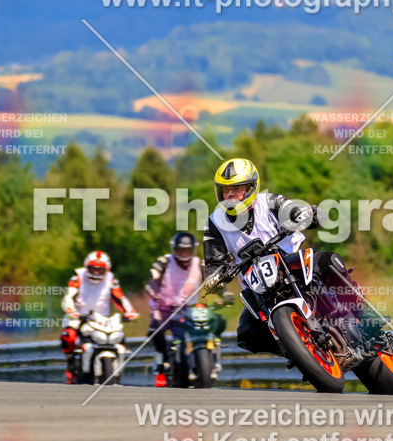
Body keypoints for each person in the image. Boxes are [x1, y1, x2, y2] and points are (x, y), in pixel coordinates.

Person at [201, 157, 378, 356]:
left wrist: (306, 215)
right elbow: (213, 261)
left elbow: (293, 211)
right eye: (225, 190)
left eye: (236, 189)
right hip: (257, 286)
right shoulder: (214, 222)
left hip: (291, 262)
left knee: (327, 261)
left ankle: (361, 309)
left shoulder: (269, 202)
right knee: (246, 334)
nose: (230, 195)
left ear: (250, 188)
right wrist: (213, 277)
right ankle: (297, 350)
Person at [59, 251, 139, 384]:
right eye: (93, 268)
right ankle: (71, 363)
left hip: (102, 319)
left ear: (107, 269)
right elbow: (69, 296)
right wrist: (71, 310)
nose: (96, 272)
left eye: (100, 269)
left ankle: (116, 368)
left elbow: (119, 297)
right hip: (79, 316)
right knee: (69, 336)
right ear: (87, 267)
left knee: (119, 335)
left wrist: (130, 311)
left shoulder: (111, 280)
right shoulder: (78, 277)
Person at [145, 232, 207, 379]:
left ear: (193, 250)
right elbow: (152, 281)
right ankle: (162, 358)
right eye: (181, 250)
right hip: (166, 307)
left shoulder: (200, 264)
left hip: (192, 307)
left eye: (187, 250)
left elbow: (213, 281)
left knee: (207, 325)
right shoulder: (164, 262)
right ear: (174, 249)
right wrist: (155, 296)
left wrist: (225, 294)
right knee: (156, 329)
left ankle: (208, 355)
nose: (184, 254)